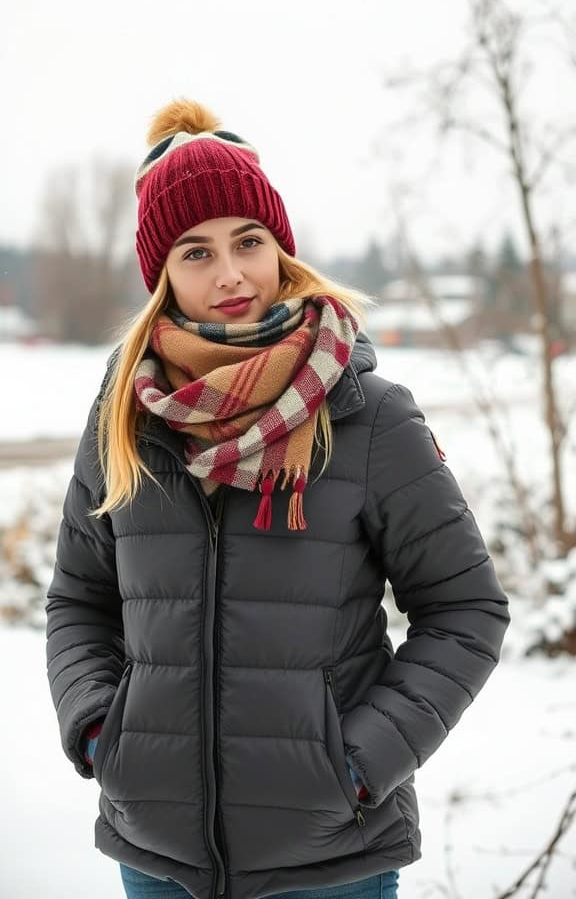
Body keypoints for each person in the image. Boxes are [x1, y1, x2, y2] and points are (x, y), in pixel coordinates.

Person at [45, 99, 510, 899]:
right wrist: (101, 734)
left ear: (281, 249)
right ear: (162, 276)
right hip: (158, 859)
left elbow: (466, 608)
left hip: (331, 862)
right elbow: (79, 597)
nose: (229, 273)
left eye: (248, 241)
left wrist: (356, 764)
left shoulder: (367, 413)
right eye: (196, 251)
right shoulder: (124, 417)